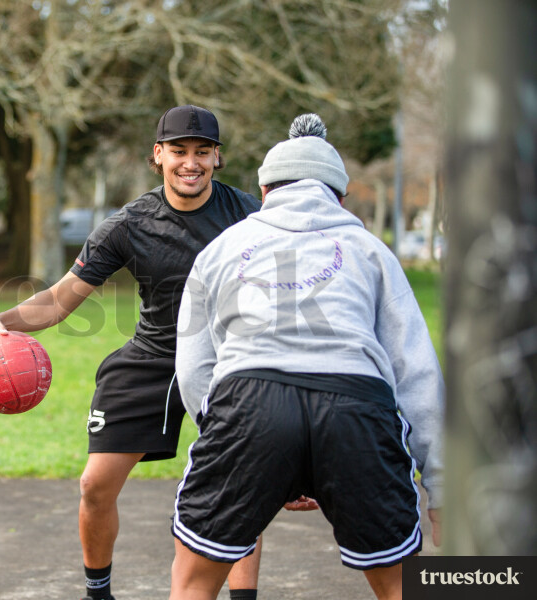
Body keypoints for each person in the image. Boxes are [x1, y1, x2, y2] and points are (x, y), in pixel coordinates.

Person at [0, 105, 263, 600]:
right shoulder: (129, 224)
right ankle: (97, 593)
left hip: (228, 361)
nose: (191, 163)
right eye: (179, 152)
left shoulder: (248, 215)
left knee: (240, 485)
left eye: (202, 152)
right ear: (158, 156)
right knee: (94, 486)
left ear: (217, 158)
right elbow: (60, 300)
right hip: (154, 356)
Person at [171, 113, 444, 600]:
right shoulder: (370, 250)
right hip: (355, 403)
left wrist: (246, 441)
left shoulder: (220, 248)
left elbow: (193, 368)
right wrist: (442, 486)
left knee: (193, 581)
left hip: (250, 398)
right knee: (401, 584)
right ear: (339, 196)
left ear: (265, 189)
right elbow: (417, 372)